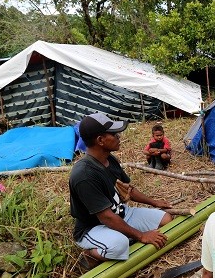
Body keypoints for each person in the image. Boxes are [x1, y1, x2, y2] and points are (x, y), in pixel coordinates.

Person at [70, 113, 173, 269]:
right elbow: (106, 217)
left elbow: (128, 190)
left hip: (121, 213)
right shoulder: (84, 175)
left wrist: (154, 202)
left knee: (166, 219)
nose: (118, 136)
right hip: (94, 227)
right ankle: (90, 254)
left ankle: (125, 235)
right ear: (100, 140)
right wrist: (141, 235)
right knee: (119, 246)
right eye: (113, 134)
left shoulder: (109, 159)